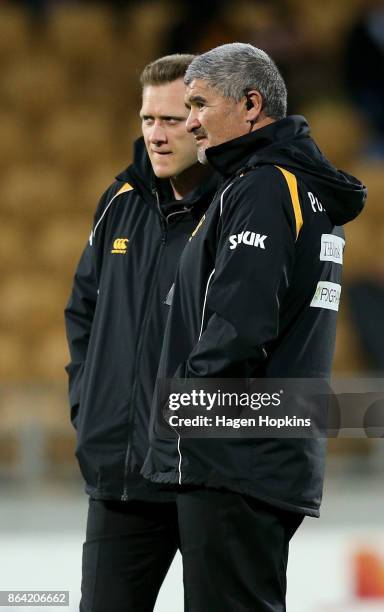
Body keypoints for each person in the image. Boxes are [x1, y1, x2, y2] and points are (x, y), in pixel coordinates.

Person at [142, 43, 367, 611]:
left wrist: (185, 418)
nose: (188, 120)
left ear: (249, 104)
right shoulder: (294, 188)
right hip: (265, 448)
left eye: (197, 104)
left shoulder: (264, 186)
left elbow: (238, 328)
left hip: (233, 454)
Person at [64, 54, 217, 612]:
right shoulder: (119, 203)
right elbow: (82, 311)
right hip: (121, 473)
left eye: (171, 120)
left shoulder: (240, 208)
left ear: (205, 120)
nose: (155, 134)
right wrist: (91, 403)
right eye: (147, 119)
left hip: (207, 476)